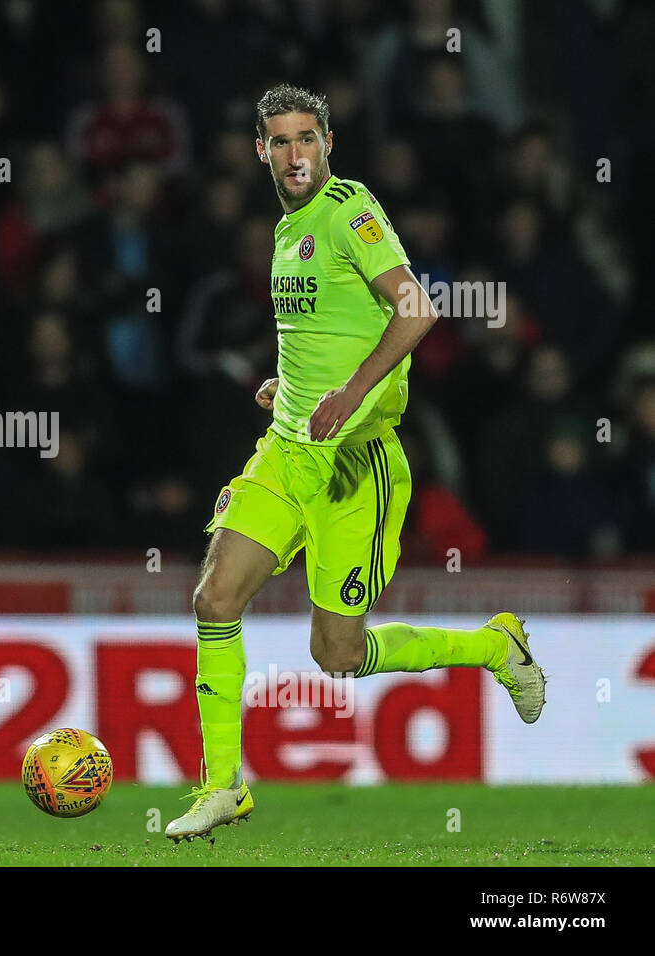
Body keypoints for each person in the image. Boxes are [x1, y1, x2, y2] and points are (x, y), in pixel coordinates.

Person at [166, 85, 545, 842]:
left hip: (354, 465)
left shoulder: (349, 208)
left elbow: (415, 308)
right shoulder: (286, 230)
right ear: (261, 152)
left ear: (329, 142)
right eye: (280, 141)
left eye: (307, 137)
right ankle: (220, 788)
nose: (295, 153)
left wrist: (350, 390)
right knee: (214, 600)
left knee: (336, 653)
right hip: (287, 450)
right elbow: (325, 329)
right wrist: (295, 386)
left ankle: (494, 645)